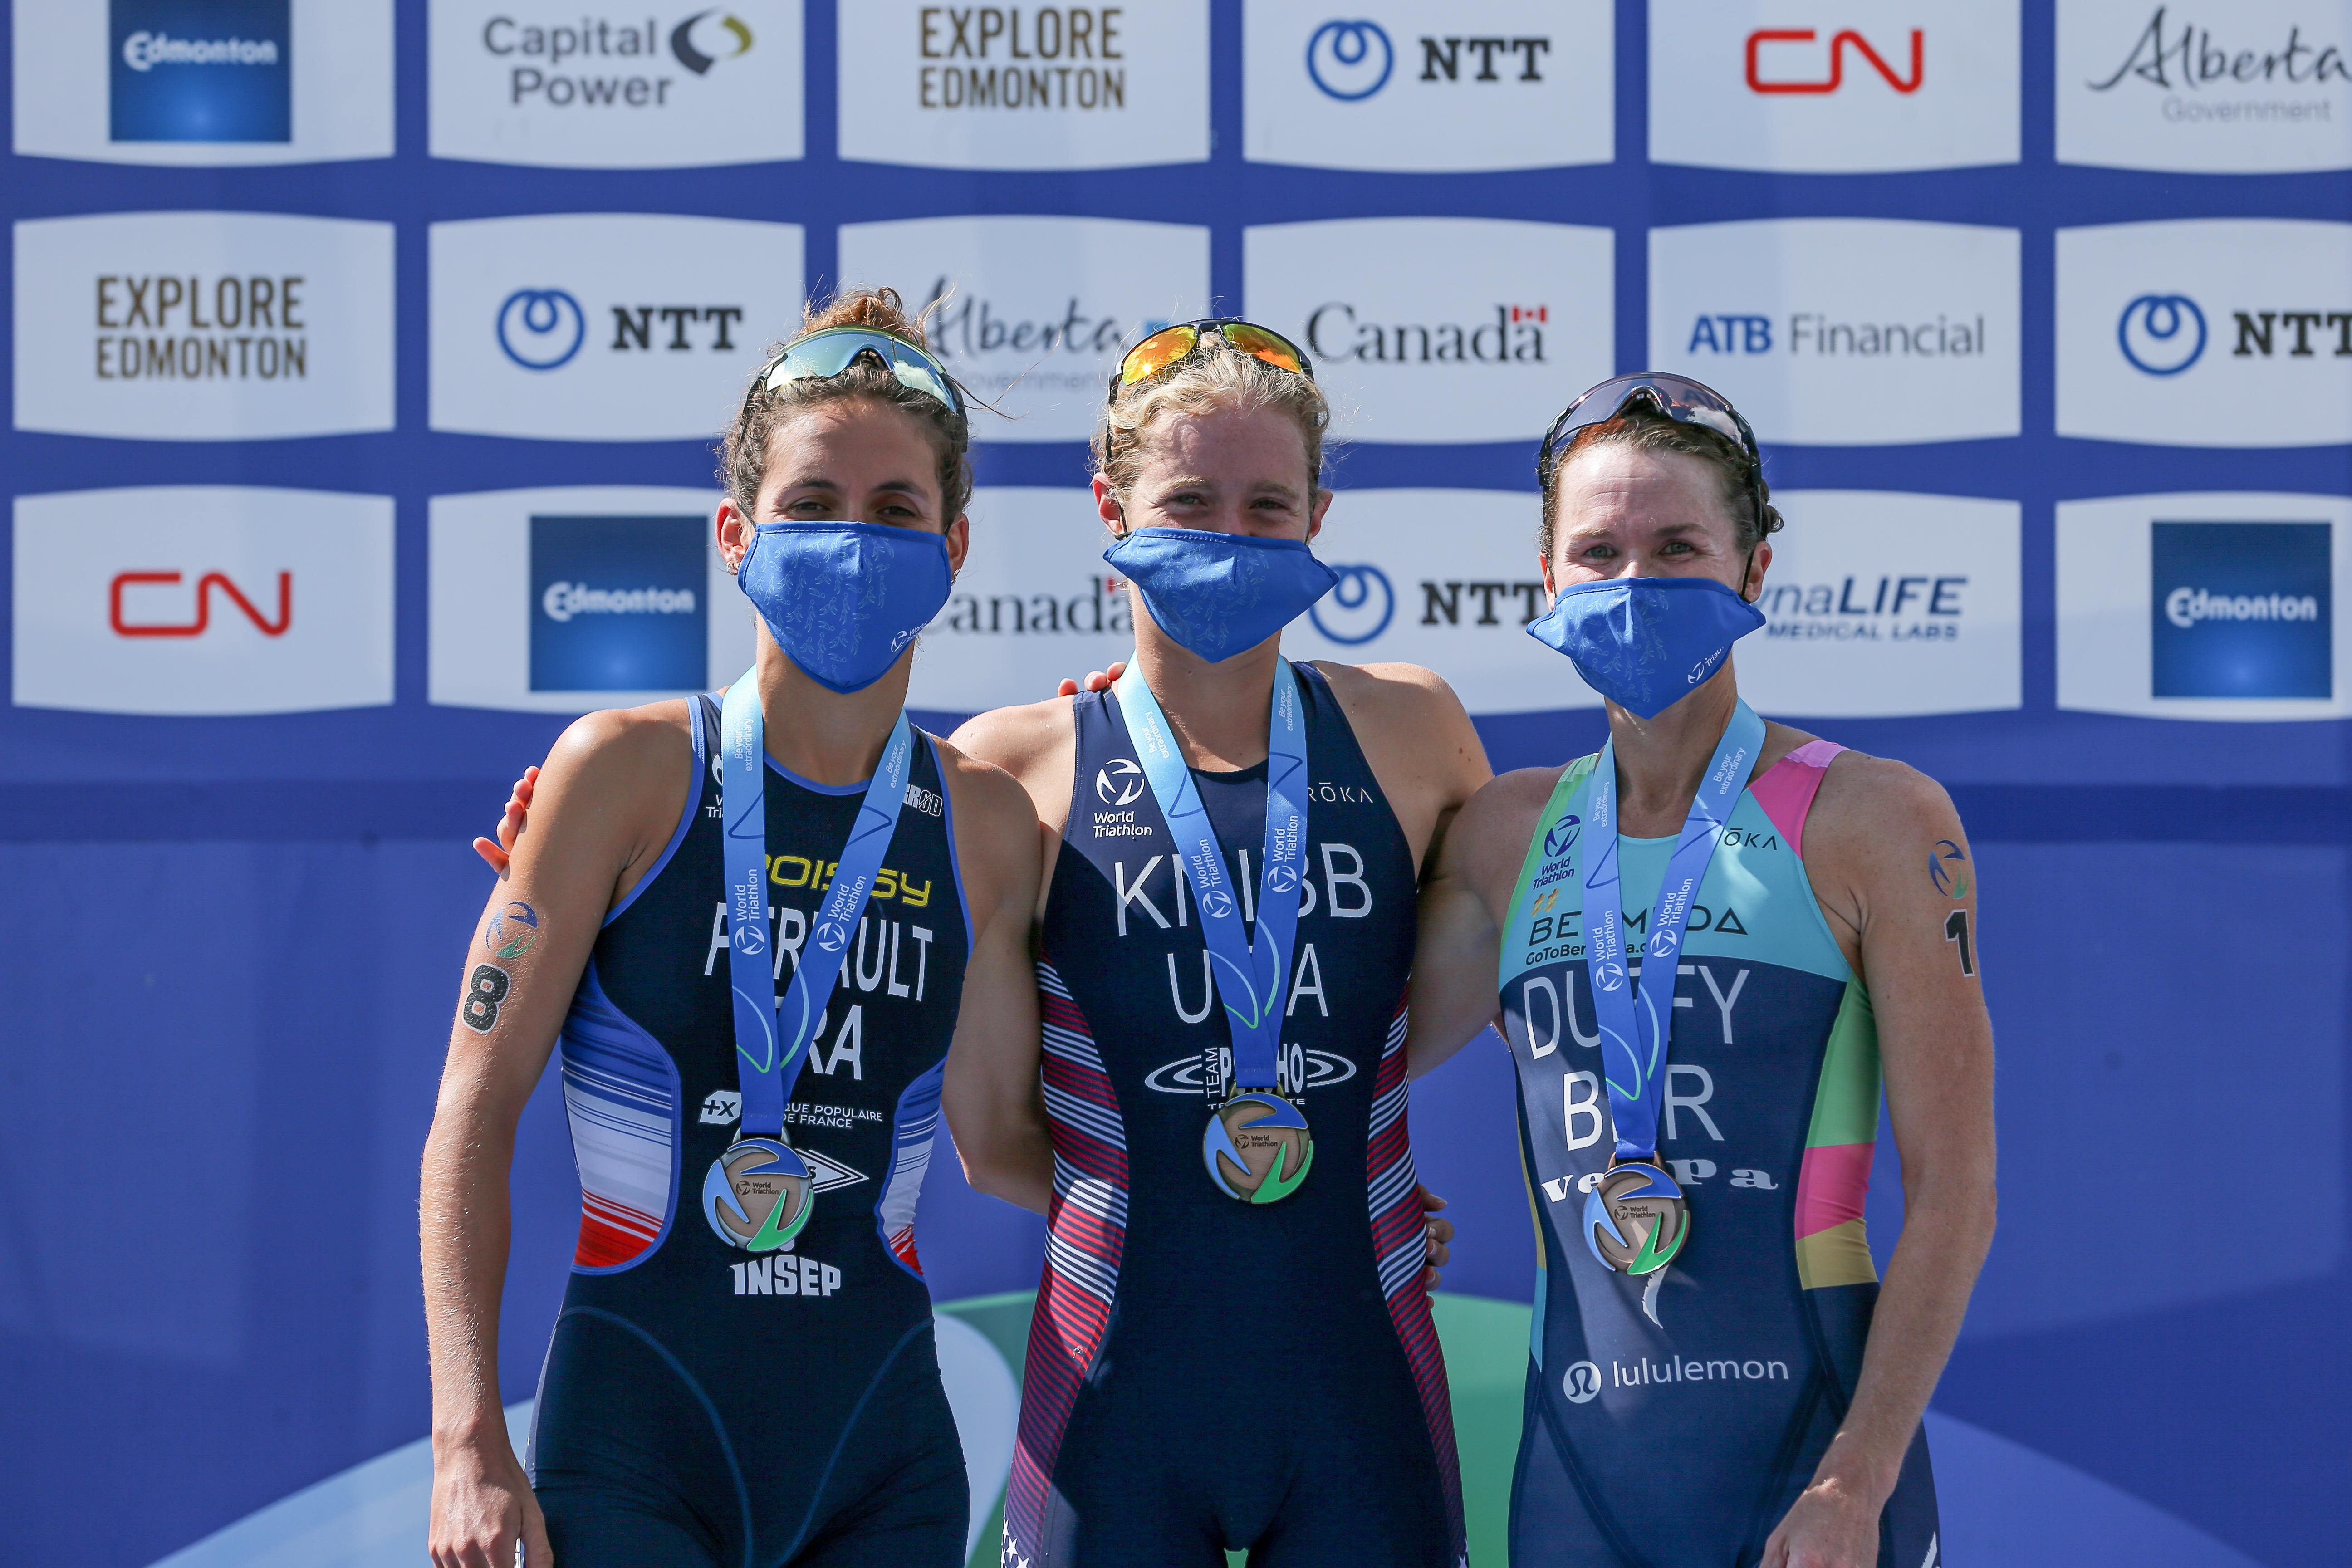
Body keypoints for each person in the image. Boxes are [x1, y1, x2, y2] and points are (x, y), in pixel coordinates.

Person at [422, 288, 1054, 1568]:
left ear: (955, 549)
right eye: (812, 507)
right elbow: (473, 1118)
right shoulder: (623, 774)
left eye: (895, 512)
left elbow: (1009, 1140)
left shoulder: (986, 822)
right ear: (734, 533)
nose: (852, 541)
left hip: (881, 1453)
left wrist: (1327, 1206)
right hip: (637, 1437)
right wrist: (466, 1445)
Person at [1407, 374, 1996, 1568]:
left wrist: (1857, 1480)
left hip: (1811, 1475)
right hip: (1575, 1487)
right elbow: (1339, 1058)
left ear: (1754, 572)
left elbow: (1955, 1191)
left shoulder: (1870, 818)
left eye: (1678, 549)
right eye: (1599, 551)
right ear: (1548, 579)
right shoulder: (1503, 836)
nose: (1635, 586)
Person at [948, 320, 1492, 1568]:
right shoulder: (1012, 769)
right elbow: (990, 1145)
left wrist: (1346, 1175)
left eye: (1266, 505)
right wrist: (1206, 1203)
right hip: (1116, 1393)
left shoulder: (1415, 731)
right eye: (1189, 500)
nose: (1228, 536)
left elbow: (1552, 910)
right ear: (1110, 507)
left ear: (1318, 520)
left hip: (1365, 1391)